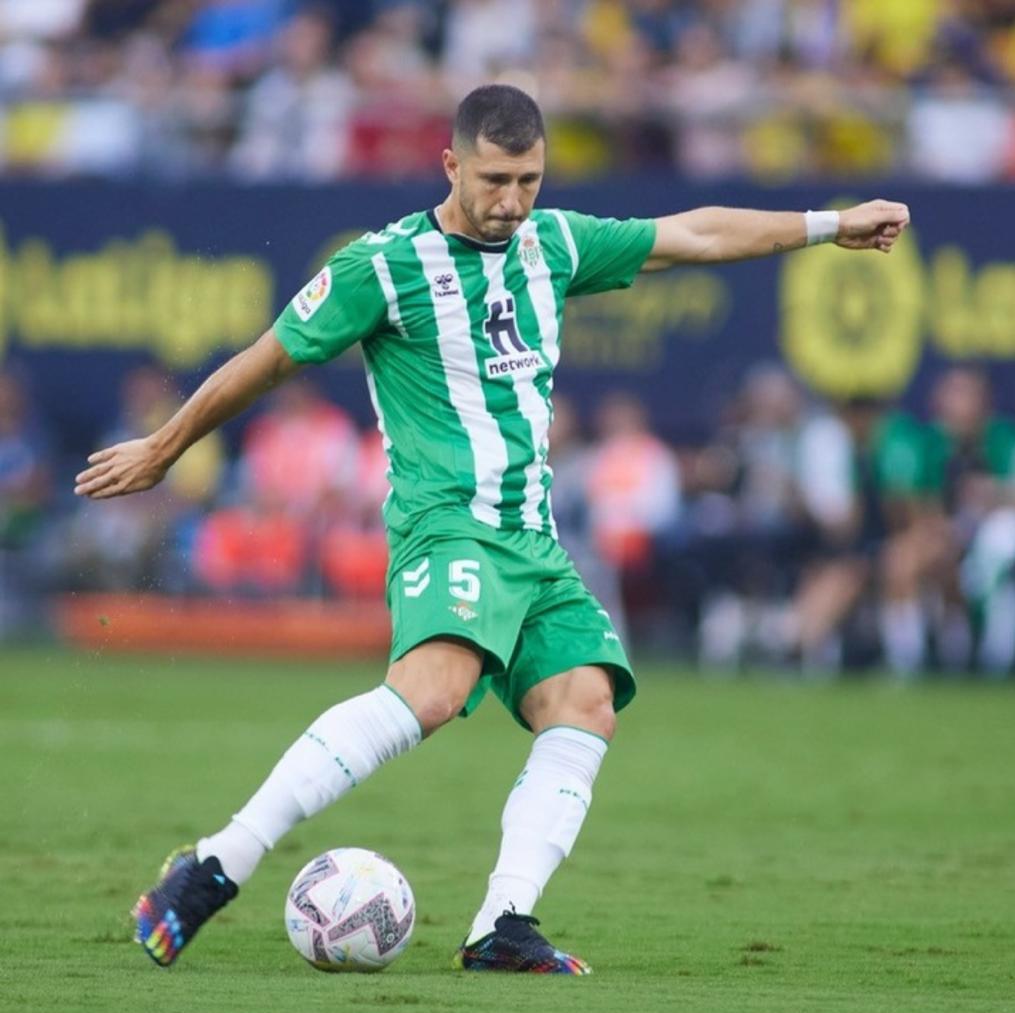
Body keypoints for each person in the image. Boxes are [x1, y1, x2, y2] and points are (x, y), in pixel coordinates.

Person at [74, 84, 910, 974]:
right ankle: (216, 863)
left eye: (529, 179)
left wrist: (829, 224)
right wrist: (166, 446)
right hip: (448, 530)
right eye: (494, 180)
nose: (512, 201)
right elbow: (268, 358)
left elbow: (694, 233)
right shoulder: (382, 265)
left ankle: (501, 924)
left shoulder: (553, 242)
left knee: (584, 702)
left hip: (533, 541)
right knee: (431, 692)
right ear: (451, 166)